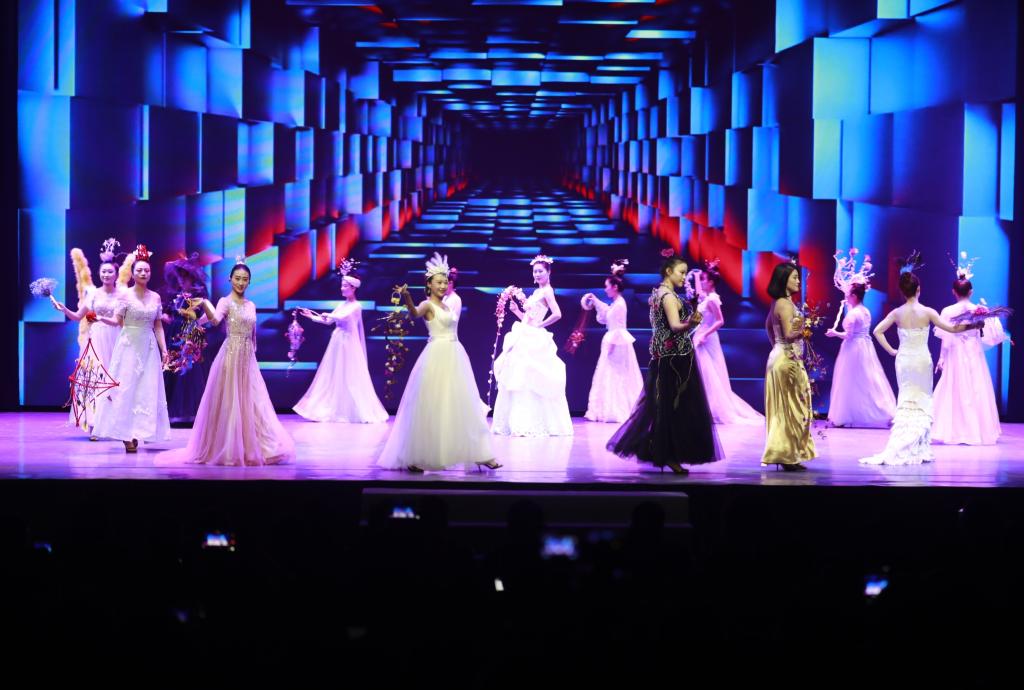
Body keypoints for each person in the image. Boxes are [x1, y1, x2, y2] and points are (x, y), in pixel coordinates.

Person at [377, 253, 499, 472]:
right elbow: (414, 314)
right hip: (437, 355)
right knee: (432, 405)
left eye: (445, 282)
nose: (443, 286)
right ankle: (418, 455)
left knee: (464, 404)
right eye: (439, 282)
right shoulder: (427, 305)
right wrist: (407, 296)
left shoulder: (448, 306)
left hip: (455, 353)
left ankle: (480, 453)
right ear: (429, 285)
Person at [860, 254, 982, 465]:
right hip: (922, 361)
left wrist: (892, 351)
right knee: (922, 400)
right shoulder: (928, 312)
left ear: (902, 291)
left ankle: (909, 444)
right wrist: (973, 325)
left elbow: (877, 331)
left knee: (906, 399)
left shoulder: (897, 313)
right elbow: (952, 329)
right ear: (919, 289)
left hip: (904, 361)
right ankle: (919, 447)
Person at [607, 255, 721, 475]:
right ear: (669, 272)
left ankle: (663, 452)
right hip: (673, 358)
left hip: (667, 355)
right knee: (671, 407)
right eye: (681, 273)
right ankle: (667, 454)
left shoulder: (660, 293)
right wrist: (693, 321)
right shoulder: (667, 296)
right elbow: (676, 326)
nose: (684, 277)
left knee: (665, 407)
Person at [172, 260, 294, 466]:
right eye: (237, 278)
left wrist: (252, 354)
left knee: (251, 401)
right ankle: (229, 448)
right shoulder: (225, 301)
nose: (240, 282)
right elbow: (215, 321)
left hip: (247, 358)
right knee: (231, 401)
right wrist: (204, 303)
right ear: (230, 279)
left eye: (245, 279)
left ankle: (252, 445)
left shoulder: (251, 305)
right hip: (230, 355)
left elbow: (253, 334)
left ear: (249, 282)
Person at [90, 246, 171, 452]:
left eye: (147, 270)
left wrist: (164, 350)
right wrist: (100, 318)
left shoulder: (155, 297)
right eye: (139, 270)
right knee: (126, 388)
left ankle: (138, 431)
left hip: (148, 346)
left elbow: (158, 326)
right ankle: (125, 433)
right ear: (133, 273)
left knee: (146, 389)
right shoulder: (125, 296)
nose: (143, 273)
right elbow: (117, 321)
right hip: (128, 345)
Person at [294, 260, 388, 423]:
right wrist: (312, 316)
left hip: (348, 344)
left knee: (350, 375)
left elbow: (342, 317)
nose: (342, 288)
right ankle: (333, 407)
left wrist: (328, 314)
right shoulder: (341, 305)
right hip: (337, 342)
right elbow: (328, 322)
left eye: (345, 286)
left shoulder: (356, 306)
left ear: (353, 288)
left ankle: (352, 409)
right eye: (342, 285)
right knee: (334, 374)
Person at [491, 255, 573, 437]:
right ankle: (518, 421)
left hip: (533, 336)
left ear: (548, 272)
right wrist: (516, 312)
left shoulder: (547, 291)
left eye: (540, 271)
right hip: (524, 332)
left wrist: (540, 325)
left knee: (530, 377)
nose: (537, 274)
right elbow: (529, 319)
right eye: (535, 271)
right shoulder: (537, 292)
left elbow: (557, 314)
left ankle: (532, 422)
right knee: (519, 378)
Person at [931, 258, 1009, 445]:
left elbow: (946, 337)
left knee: (955, 387)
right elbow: (991, 334)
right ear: (971, 292)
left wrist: (941, 358)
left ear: (953, 292)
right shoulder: (979, 310)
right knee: (976, 387)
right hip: (973, 351)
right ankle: (976, 431)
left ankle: (956, 430)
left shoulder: (948, 311)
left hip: (956, 351)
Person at [825, 251, 896, 428]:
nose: (846, 297)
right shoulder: (866, 311)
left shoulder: (853, 314)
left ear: (854, 296)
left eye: (848, 294)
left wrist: (834, 333)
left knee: (850, 381)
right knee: (867, 379)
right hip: (865, 347)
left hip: (853, 349)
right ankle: (876, 411)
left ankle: (848, 414)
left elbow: (848, 335)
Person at [690, 262, 764, 425]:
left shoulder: (712, 299)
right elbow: (699, 294)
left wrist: (705, 335)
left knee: (709, 372)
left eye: (703, 279)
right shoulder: (707, 298)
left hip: (706, 338)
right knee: (702, 372)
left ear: (711, 282)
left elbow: (720, 320)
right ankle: (703, 407)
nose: (702, 282)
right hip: (701, 335)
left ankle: (711, 409)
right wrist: (696, 276)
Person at [760, 262, 816, 471]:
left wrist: (777, 347)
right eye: (794, 277)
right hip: (786, 359)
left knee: (787, 408)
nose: (798, 281)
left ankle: (788, 454)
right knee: (791, 408)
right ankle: (785, 455)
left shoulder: (779, 303)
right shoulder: (784, 303)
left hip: (780, 356)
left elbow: (768, 326)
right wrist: (806, 326)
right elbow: (789, 334)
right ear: (784, 280)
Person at [581, 260, 643, 423]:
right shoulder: (616, 303)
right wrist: (595, 300)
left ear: (614, 287)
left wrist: (612, 346)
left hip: (617, 344)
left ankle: (617, 409)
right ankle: (607, 408)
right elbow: (607, 313)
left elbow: (618, 327)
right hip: (612, 342)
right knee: (608, 375)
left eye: (607, 286)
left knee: (616, 375)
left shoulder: (620, 304)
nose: (605, 289)